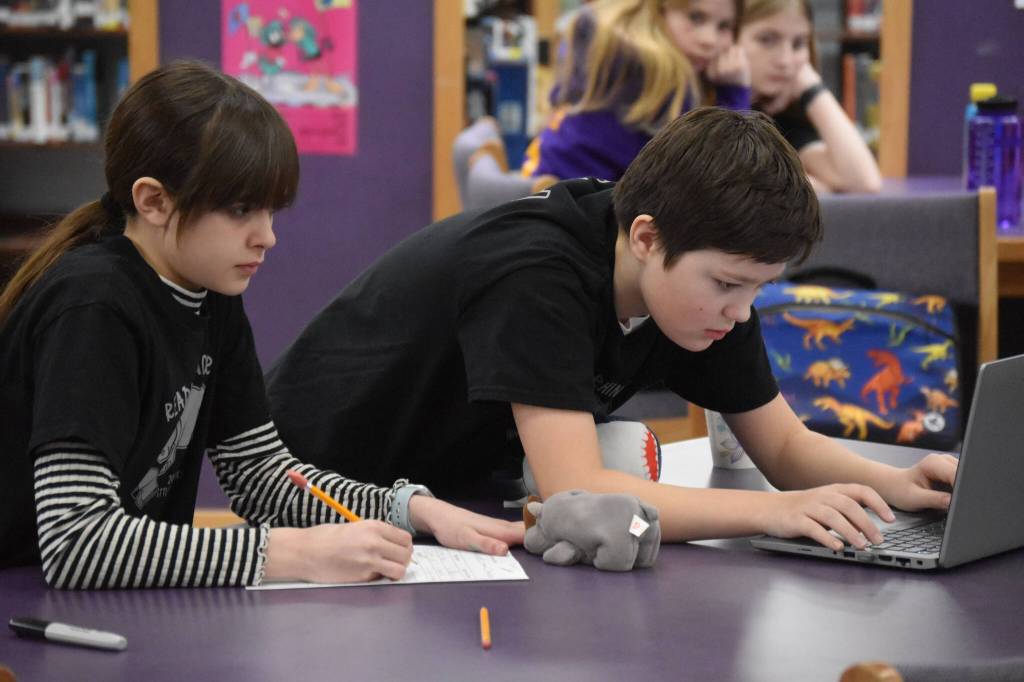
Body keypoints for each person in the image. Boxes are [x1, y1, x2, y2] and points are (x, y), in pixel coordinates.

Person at [267, 107, 957, 554]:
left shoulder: (702, 288)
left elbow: (782, 444)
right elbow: (577, 486)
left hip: (448, 493)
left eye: (758, 289)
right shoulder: (538, 271)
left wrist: (896, 484)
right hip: (322, 484)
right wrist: (772, 513)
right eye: (728, 286)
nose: (742, 312)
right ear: (647, 239)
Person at [0, 60, 522, 589]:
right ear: (153, 201)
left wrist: (410, 508)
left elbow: (262, 476)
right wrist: (290, 553)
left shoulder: (207, 292)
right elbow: (76, 542)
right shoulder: (92, 305)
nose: (266, 237)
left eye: (270, 212)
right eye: (240, 210)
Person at [521, 0, 750, 182]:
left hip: (547, 191)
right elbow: (718, 176)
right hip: (575, 211)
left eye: (724, 26)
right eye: (696, 17)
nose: (709, 40)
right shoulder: (657, 76)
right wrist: (734, 93)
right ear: (657, 10)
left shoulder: (603, 45)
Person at [739, 0, 882, 193]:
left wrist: (812, 89)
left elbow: (864, 182)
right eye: (767, 40)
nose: (785, 60)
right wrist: (808, 185)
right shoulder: (704, 107)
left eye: (798, 44)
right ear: (730, 36)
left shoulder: (783, 114)